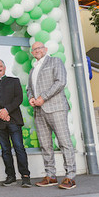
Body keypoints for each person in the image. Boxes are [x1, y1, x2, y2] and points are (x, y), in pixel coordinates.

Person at [27, 42, 76, 189]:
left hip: (56, 108)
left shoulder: (55, 61)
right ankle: (50, 175)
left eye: (39, 48)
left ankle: (70, 176)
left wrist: (43, 97)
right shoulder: (32, 70)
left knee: (64, 142)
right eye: (34, 49)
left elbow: (60, 82)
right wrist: (31, 97)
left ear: (45, 50)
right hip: (39, 111)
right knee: (45, 145)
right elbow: (30, 88)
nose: (37, 50)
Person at [0, 59, 31, 188]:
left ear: (4, 68)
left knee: (19, 148)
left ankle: (25, 176)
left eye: (0, 66)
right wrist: (0, 113)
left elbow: (18, 98)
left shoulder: (14, 81)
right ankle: (10, 176)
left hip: (14, 121)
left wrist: (6, 110)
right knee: (5, 150)